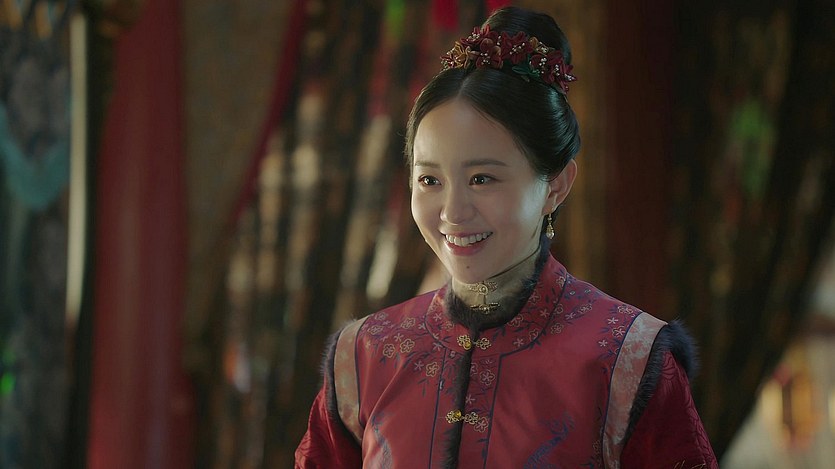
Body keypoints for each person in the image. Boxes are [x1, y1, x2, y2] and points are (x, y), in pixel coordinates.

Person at [296, 6, 717, 468]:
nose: (452, 212)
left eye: (482, 179)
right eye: (430, 180)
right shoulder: (365, 356)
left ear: (555, 185)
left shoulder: (626, 361)